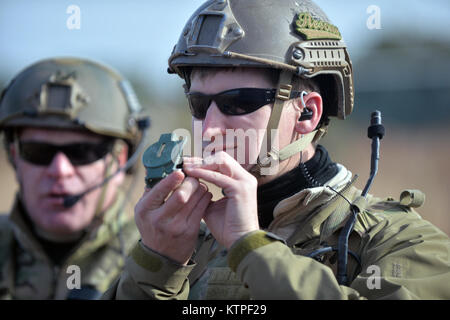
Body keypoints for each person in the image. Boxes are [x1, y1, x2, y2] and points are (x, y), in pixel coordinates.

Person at [104, 0, 450, 300]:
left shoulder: (403, 243)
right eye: (198, 104)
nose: (209, 128)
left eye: (237, 103)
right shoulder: (182, 242)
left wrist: (251, 248)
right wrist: (157, 267)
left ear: (307, 113)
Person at [0, 57, 149, 299]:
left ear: (120, 160)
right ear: (15, 156)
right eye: (38, 152)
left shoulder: (168, 258)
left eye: (82, 153)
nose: (60, 170)